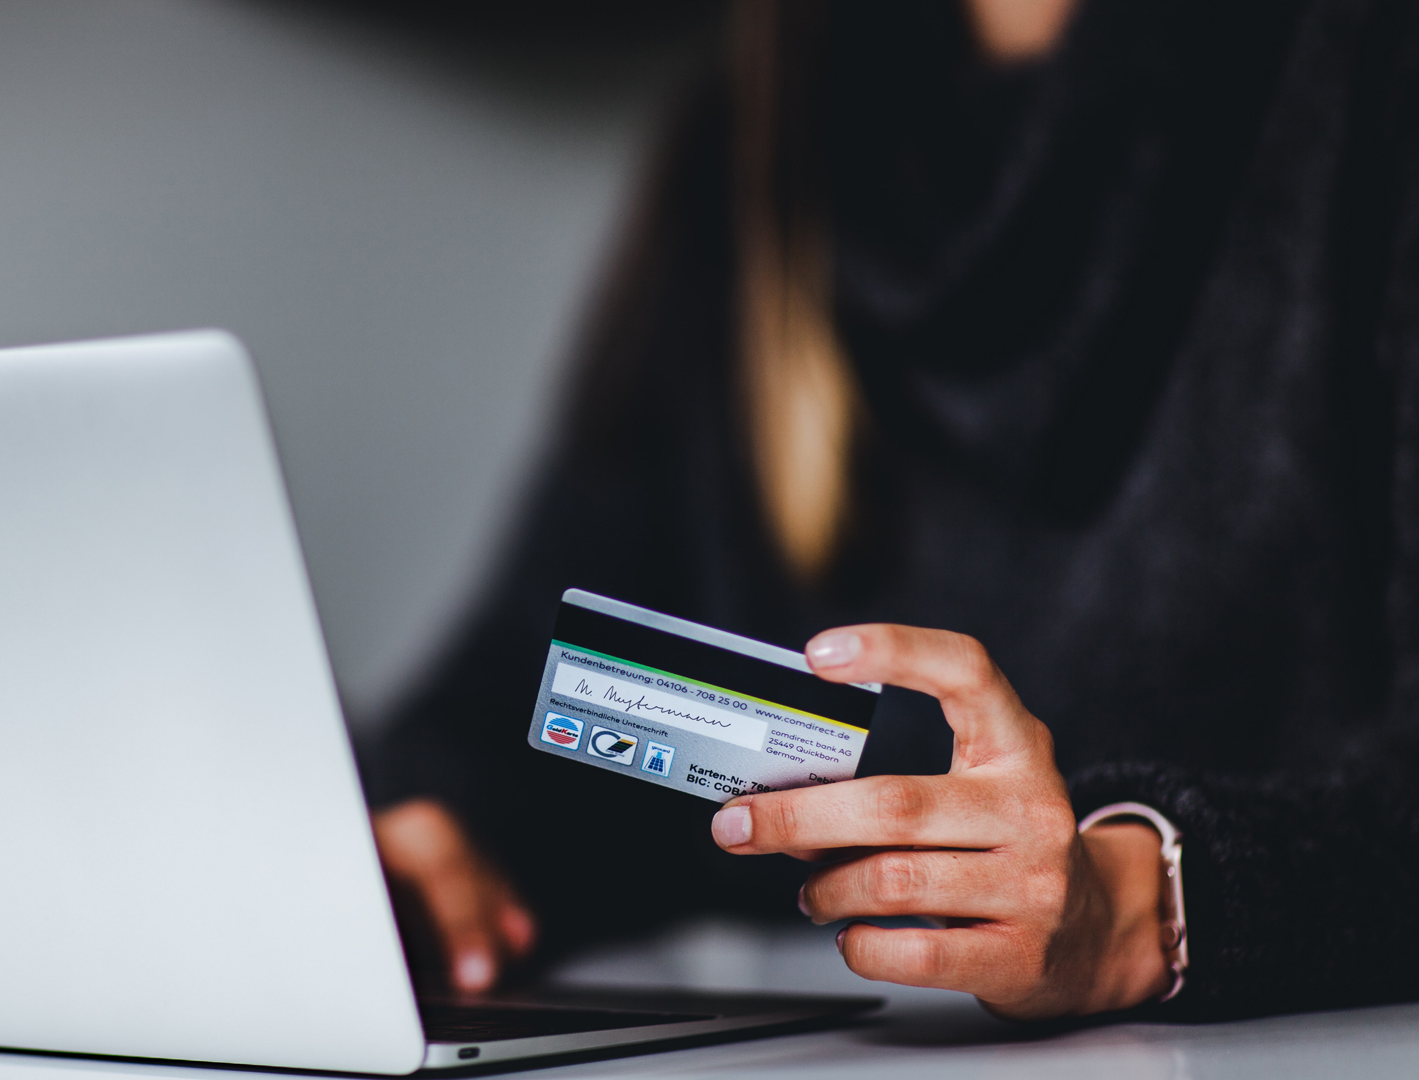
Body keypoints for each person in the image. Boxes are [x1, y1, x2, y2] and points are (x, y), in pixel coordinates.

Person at [362, 0, 1419, 1022]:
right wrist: (434, 837)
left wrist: (1148, 904)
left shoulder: (1366, 69)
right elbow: (523, 691)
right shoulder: (758, 134)